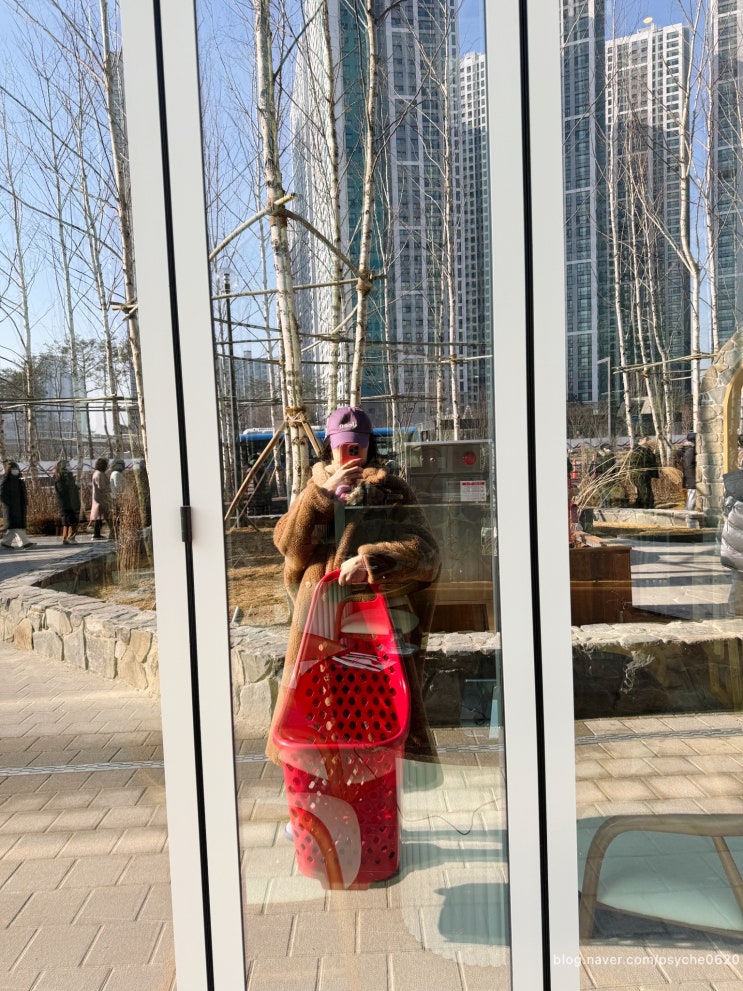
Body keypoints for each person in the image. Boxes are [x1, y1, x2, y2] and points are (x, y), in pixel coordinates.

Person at [266, 406, 441, 766]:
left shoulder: (392, 491)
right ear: (329, 445)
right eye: (343, 445)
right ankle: (318, 801)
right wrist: (322, 496)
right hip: (317, 630)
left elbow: (427, 554)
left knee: (375, 738)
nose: (351, 453)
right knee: (317, 738)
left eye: (357, 445)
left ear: (369, 445)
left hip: (374, 636)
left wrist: (373, 561)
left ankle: (375, 800)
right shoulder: (313, 490)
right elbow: (288, 547)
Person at [720, 468, 743, 616]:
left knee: (738, 576)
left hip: (734, 539)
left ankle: (735, 608)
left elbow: (725, 508)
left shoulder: (735, 483)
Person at [0, 462, 34, 549]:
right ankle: (24, 543)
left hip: (19, 506)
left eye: (16, 468)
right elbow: (2, 494)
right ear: (9, 470)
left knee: (13, 527)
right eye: (13, 469)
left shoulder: (19, 480)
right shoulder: (5, 480)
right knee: (16, 526)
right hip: (10, 507)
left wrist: (24, 502)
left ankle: (5, 542)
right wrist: (8, 503)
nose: (15, 470)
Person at [53, 459, 81, 544]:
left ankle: (70, 537)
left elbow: (72, 488)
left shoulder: (69, 477)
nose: (69, 467)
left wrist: (75, 488)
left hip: (72, 502)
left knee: (72, 520)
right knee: (67, 521)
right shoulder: (59, 478)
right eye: (67, 465)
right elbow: (62, 491)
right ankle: (67, 538)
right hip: (65, 503)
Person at [628, 436, 659, 508]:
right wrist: (643, 470)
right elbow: (634, 465)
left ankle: (644, 507)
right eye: (646, 439)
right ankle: (645, 508)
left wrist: (654, 456)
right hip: (639, 475)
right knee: (645, 493)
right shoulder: (637, 451)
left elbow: (650, 462)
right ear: (640, 441)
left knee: (645, 492)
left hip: (646, 475)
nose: (648, 440)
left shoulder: (647, 450)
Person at [90, 457, 112, 540]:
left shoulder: (97, 473)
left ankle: (97, 534)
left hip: (98, 498)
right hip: (101, 498)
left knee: (99, 517)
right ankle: (97, 534)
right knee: (101, 516)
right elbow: (102, 487)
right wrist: (109, 489)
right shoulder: (99, 474)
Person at [681, 432, 697, 511]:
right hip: (691, 477)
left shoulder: (688, 449)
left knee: (691, 497)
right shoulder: (690, 450)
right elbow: (688, 464)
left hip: (690, 477)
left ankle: (688, 512)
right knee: (692, 497)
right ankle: (688, 514)